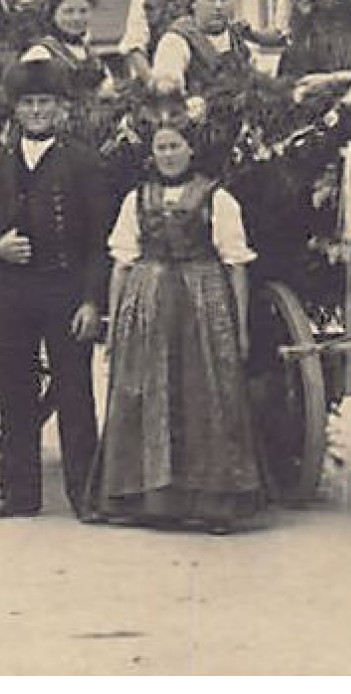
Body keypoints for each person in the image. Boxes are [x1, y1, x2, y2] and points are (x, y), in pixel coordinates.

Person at [90, 119, 262, 532]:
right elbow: (121, 263)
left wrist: (240, 327)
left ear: (191, 151)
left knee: (203, 392)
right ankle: (145, 500)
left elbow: (236, 266)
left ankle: (213, 503)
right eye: (161, 147)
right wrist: (114, 325)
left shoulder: (217, 199)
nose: (168, 154)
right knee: (144, 391)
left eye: (175, 146)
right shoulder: (136, 199)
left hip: (202, 301)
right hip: (146, 302)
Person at [0, 59, 112, 519]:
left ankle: (84, 495)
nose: (36, 111)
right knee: (14, 391)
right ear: (15, 110)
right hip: (11, 292)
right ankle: (20, 495)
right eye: (27, 103)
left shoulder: (84, 161)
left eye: (44, 102)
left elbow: (99, 239)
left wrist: (91, 300)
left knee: (74, 392)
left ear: (61, 108)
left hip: (65, 289)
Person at [151, 0, 255, 96]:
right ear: (194, 3)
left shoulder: (237, 40)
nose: (218, 6)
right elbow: (167, 87)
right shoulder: (177, 40)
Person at [19, 0, 109, 98]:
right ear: (52, 14)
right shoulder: (41, 53)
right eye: (68, 11)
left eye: (83, 11)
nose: (76, 18)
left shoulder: (92, 56)